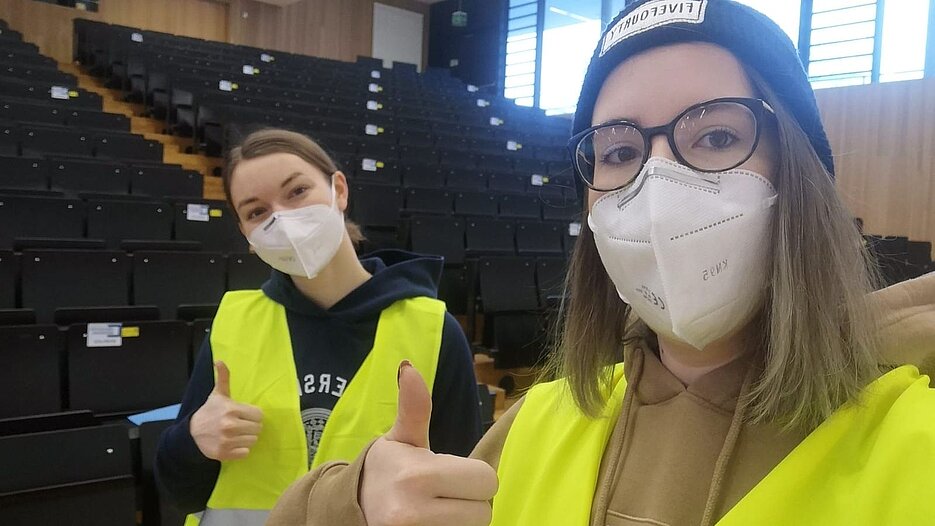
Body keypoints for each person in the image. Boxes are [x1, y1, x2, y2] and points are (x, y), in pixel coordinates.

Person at [264, 1, 935, 525]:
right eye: (618, 153)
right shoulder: (539, 423)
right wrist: (355, 503)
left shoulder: (914, 446)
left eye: (716, 136)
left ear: (800, 178)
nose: (657, 181)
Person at [154, 129, 483, 525]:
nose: (282, 219)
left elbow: (466, 496)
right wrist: (193, 440)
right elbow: (178, 491)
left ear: (338, 190)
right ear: (247, 235)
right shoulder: (233, 321)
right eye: (257, 212)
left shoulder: (434, 330)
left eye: (297, 192)